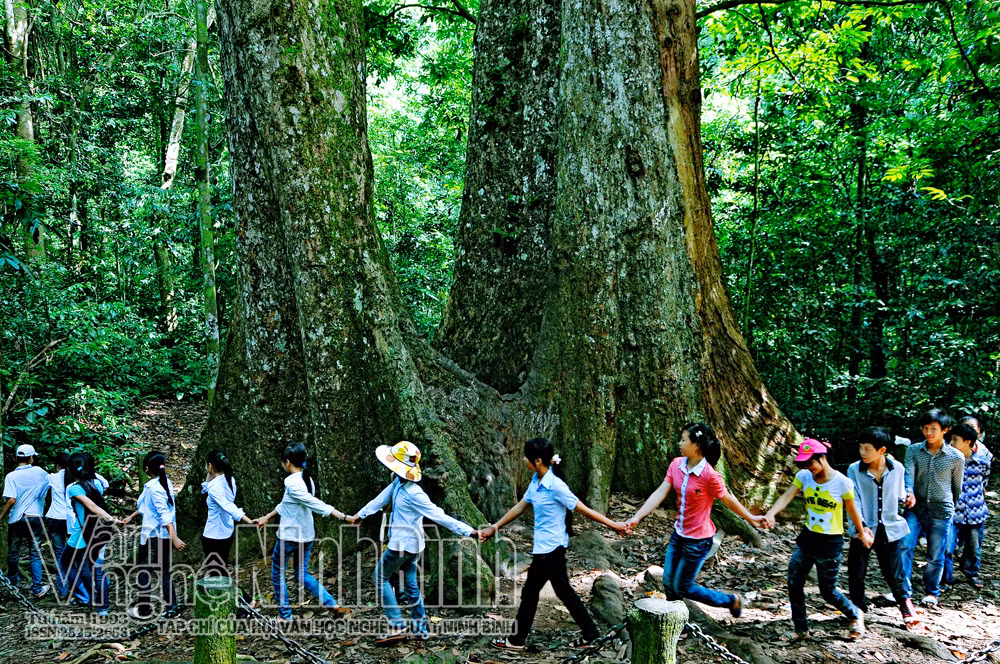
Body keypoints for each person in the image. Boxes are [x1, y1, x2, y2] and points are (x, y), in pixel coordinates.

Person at [481, 438, 628, 651]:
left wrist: (613, 524)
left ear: (538, 460)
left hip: (551, 550)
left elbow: (583, 509)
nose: (523, 460)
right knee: (562, 591)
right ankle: (591, 635)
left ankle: (516, 640)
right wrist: (494, 527)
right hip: (546, 549)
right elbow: (519, 507)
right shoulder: (536, 481)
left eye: (526, 457)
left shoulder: (556, 486)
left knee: (531, 592)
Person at [625, 423, 767, 617]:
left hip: (698, 541)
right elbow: (660, 492)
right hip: (679, 535)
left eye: (684, 440)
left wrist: (751, 518)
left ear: (697, 445)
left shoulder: (709, 475)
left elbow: (729, 500)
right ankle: (675, 622)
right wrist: (637, 517)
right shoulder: (676, 465)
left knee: (683, 586)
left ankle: (731, 600)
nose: (679, 443)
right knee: (668, 582)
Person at [349, 441, 481, 644]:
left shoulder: (414, 493)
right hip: (411, 546)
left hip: (402, 546)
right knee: (410, 585)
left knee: (379, 577)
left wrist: (469, 531)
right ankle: (420, 629)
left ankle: (396, 625)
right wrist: (360, 515)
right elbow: (380, 500)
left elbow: (439, 515)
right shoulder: (398, 483)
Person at [763, 438, 872, 640]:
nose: (808, 467)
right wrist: (771, 513)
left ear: (822, 458)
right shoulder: (804, 476)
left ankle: (855, 613)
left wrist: (861, 532)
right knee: (794, 582)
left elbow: (852, 511)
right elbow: (787, 495)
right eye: (804, 464)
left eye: (810, 462)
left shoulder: (842, 482)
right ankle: (801, 629)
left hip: (830, 542)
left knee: (827, 591)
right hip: (807, 538)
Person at [254, 442, 350, 622]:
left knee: (277, 572)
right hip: (306, 536)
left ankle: (285, 615)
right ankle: (331, 604)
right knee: (302, 574)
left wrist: (343, 517)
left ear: (288, 462)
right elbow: (286, 503)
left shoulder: (292, 482)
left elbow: (314, 503)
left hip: (289, 537)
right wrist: (267, 516)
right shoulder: (307, 479)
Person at [846, 427, 916, 626]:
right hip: (863, 527)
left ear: (882, 450)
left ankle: (905, 603)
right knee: (857, 570)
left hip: (889, 527)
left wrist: (908, 497)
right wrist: (861, 528)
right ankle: (857, 607)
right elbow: (854, 500)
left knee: (893, 569)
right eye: (861, 448)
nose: (863, 453)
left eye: (867, 449)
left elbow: (900, 492)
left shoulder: (897, 468)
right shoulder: (854, 469)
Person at [899, 408, 964, 607]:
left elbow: (956, 487)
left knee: (937, 553)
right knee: (904, 546)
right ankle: (902, 591)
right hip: (915, 506)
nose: (929, 433)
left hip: (941, 509)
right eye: (925, 428)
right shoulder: (913, 450)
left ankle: (932, 592)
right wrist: (908, 491)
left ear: (945, 430)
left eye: (933, 429)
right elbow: (908, 474)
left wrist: (949, 506)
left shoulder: (956, 457)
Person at [123, 451, 186, 619]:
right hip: (160, 536)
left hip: (154, 536)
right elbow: (146, 507)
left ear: (146, 469)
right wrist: (131, 516)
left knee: (145, 571)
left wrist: (175, 538)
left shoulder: (154, 488)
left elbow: (164, 515)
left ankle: (144, 609)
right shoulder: (165, 483)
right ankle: (171, 606)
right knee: (162, 571)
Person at [61, 452, 122, 617]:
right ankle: (102, 608)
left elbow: (92, 507)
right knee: (97, 568)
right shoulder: (99, 483)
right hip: (101, 532)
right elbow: (97, 496)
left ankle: (85, 596)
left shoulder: (73, 489)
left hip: (81, 534)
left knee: (66, 562)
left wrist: (112, 518)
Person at [943, 423, 992, 591]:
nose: (951, 443)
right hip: (952, 512)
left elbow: (984, 483)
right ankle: (946, 579)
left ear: (968, 441)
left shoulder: (982, 463)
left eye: (955, 440)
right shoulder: (947, 462)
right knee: (947, 547)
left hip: (976, 512)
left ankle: (971, 572)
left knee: (973, 547)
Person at [1, 444, 51, 598]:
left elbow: (11, 500)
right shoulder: (41, 472)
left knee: (13, 553)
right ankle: (37, 589)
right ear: (31, 458)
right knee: (35, 554)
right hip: (35, 518)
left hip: (16, 518)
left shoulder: (11, 476)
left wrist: (1, 516)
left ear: (17, 458)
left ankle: (13, 587)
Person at [201, 450, 254, 577]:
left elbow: (229, 506)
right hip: (227, 532)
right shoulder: (230, 480)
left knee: (216, 572)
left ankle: (239, 596)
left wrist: (248, 520)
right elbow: (205, 488)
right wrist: (210, 472)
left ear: (210, 466)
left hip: (213, 536)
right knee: (221, 569)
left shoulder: (214, 489)